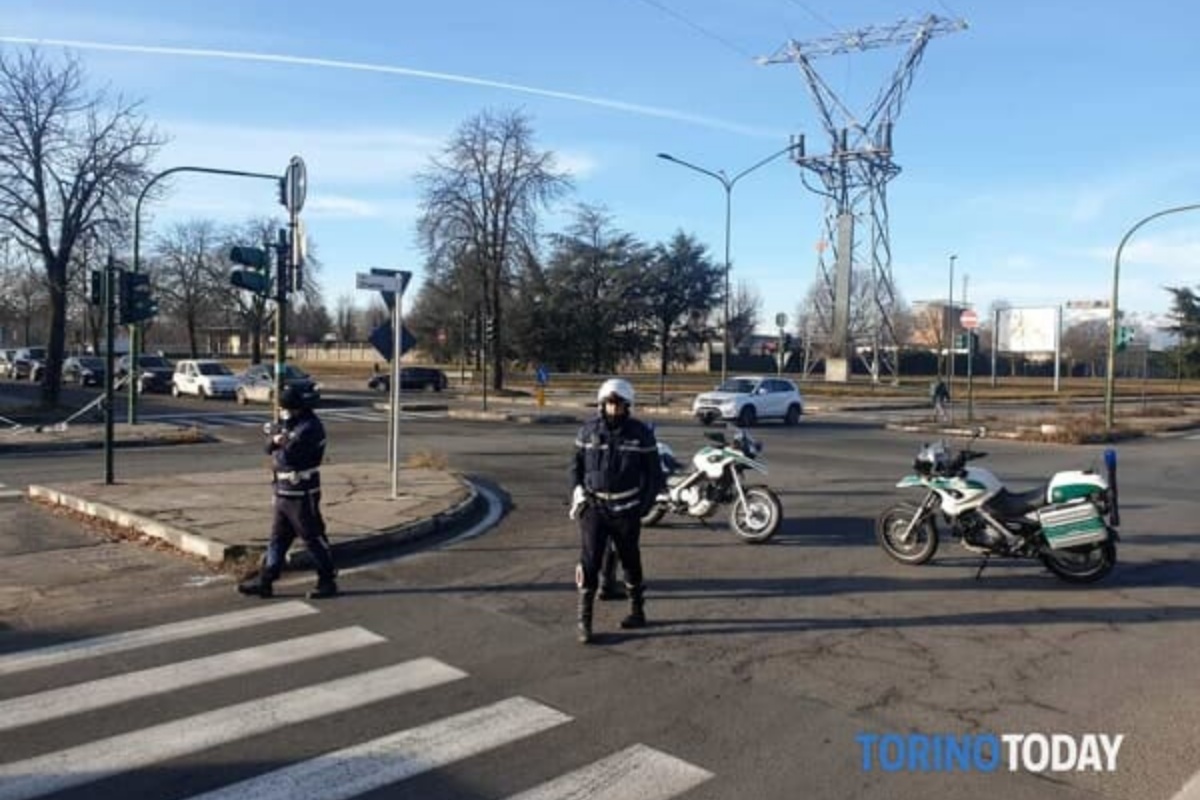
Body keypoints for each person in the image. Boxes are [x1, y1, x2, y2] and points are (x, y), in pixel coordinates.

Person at [569, 378, 664, 644]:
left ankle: (637, 611)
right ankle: (584, 621)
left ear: (627, 406)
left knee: (630, 560)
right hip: (595, 507)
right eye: (610, 403)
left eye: (619, 404)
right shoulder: (587, 432)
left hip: (626, 510)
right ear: (602, 404)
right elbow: (575, 466)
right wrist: (577, 491)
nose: (614, 409)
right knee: (589, 562)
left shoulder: (641, 434)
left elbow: (655, 476)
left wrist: (642, 508)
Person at [238, 384, 338, 600]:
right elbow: (268, 448)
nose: (284, 412)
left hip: (302, 491)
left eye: (287, 408)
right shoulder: (289, 423)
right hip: (283, 491)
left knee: (312, 537)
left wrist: (280, 443)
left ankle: (327, 579)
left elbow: (287, 457)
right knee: (278, 538)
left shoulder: (310, 427)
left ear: (297, 407)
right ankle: (266, 580)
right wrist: (275, 439)